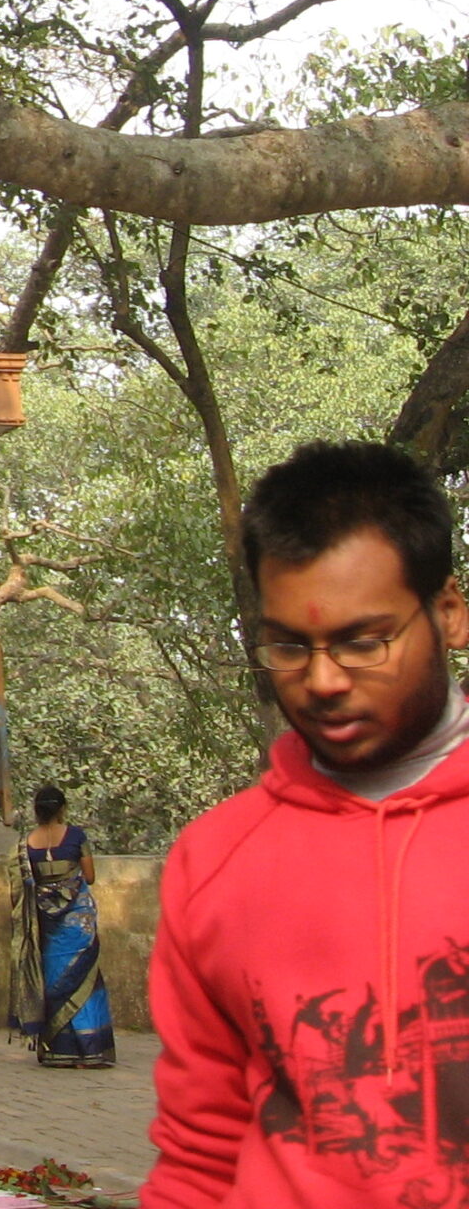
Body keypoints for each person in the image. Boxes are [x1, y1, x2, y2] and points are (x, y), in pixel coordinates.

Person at [147, 441, 469, 1208]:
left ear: (449, 613)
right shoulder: (215, 863)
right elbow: (199, 1156)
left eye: (364, 641)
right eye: (290, 645)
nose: (322, 681)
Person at [11, 783, 114, 1069]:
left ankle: (58, 1049)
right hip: (77, 920)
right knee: (85, 976)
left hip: (47, 922)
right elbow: (90, 876)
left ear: (36, 810)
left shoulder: (25, 844)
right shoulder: (76, 836)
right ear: (62, 808)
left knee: (55, 976)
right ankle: (89, 1049)